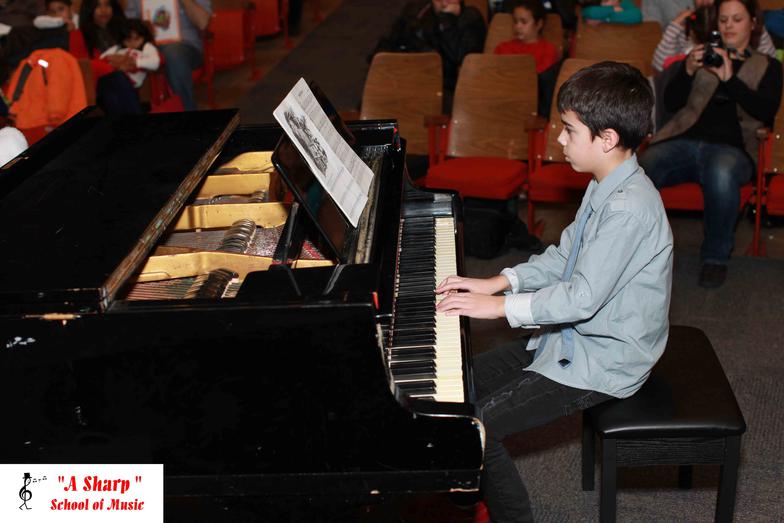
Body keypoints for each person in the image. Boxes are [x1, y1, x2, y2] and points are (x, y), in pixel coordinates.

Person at [436, 61, 673, 523]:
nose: (559, 139)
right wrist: (500, 281)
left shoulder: (628, 209)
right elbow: (565, 256)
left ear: (607, 139)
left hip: (605, 359)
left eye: (569, 130)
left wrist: (497, 307)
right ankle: (467, 484)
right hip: (571, 339)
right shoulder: (605, 184)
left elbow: (581, 299)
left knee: (479, 430)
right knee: (458, 382)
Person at [640, 0, 782, 288]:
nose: (729, 25)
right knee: (644, 165)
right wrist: (687, 70)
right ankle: (632, 248)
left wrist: (730, 79)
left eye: (737, 19)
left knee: (720, 171)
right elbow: (671, 103)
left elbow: (765, 110)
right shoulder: (702, 57)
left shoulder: (769, 65)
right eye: (723, 20)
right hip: (686, 140)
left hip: (735, 150)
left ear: (753, 23)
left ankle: (716, 256)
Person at [372, 0, 486, 110]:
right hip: (406, 80)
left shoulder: (470, 17)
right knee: (379, 97)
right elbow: (390, 42)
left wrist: (447, 19)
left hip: (443, 88)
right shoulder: (418, 10)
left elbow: (461, 57)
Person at [124, 0, 211, 111]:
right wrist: (142, 28)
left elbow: (203, 23)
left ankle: (186, 109)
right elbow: (128, 26)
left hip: (185, 47)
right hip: (147, 47)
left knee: (174, 54)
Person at [652, 3, 775, 73]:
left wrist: (754, 26)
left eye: (737, 19)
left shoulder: (744, 30)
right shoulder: (688, 32)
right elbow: (660, 65)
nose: (705, 1)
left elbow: (772, 66)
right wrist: (676, 25)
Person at [69, 0, 142, 114]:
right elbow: (80, 66)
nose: (104, 10)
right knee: (115, 81)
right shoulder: (78, 35)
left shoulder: (124, 31)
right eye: (98, 6)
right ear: (89, 9)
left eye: (107, 5)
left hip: (129, 79)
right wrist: (110, 63)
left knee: (114, 91)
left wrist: (131, 63)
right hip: (97, 84)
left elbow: (146, 55)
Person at [494, 0, 560, 116]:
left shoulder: (548, 50)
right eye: (515, 21)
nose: (518, 26)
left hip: (533, 106)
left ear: (539, 24)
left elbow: (540, 84)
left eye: (524, 22)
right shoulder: (503, 47)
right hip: (502, 100)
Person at [100, 18, 160, 88]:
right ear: (122, 40)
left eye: (137, 39)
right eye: (128, 40)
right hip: (114, 76)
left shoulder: (146, 47)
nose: (133, 43)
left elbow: (155, 62)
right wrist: (114, 61)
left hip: (131, 81)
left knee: (117, 78)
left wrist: (135, 62)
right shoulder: (117, 48)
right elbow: (102, 58)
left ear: (143, 37)